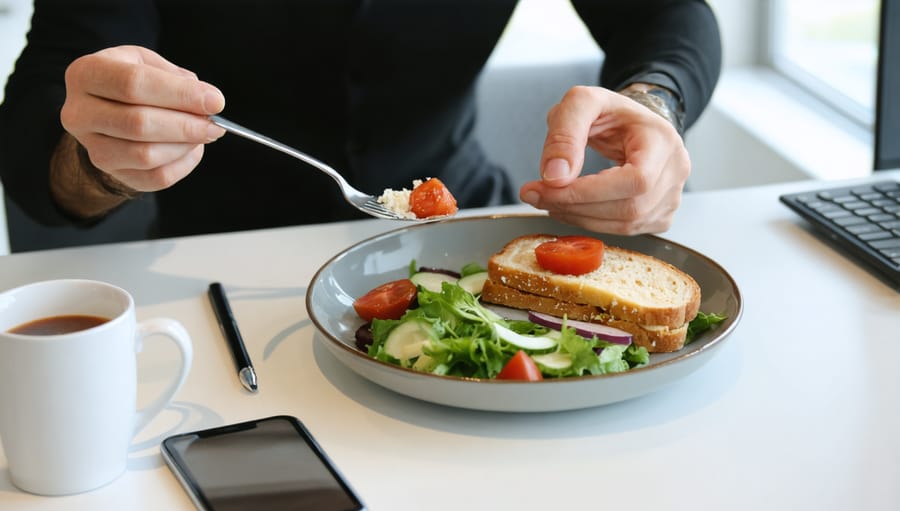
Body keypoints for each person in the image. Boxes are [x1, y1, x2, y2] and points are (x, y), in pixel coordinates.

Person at [0, 0, 721, 240]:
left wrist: (656, 104)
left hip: (461, 233)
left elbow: (667, 14)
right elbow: (37, 156)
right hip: (223, 265)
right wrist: (102, 158)